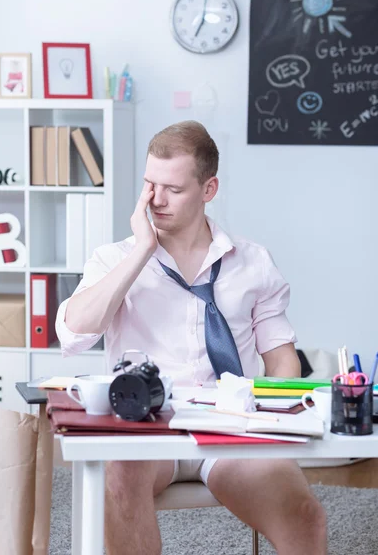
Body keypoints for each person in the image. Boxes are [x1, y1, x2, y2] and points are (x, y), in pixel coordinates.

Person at [56, 121, 327, 555]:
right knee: (117, 479)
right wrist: (140, 252)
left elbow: (281, 360)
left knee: (305, 514)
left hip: (231, 431)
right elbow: (72, 335)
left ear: (209, 188)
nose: (156, 200)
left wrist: (274, 420)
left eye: (173, 189)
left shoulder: (253, 262)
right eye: (150, 185)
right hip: (146, 430)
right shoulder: (114, 258)